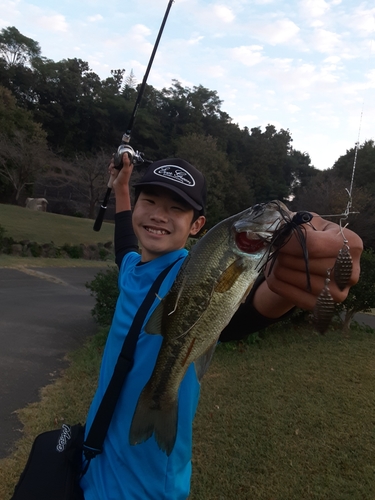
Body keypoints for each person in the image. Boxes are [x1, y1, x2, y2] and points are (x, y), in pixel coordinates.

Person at [80, 154, 363, 499]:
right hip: (95, 460)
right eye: (149, 201)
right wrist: (121, 185)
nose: (158, 214)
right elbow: (124, 236)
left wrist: (287, 289)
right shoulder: (130, 267)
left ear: (197, 226)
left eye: (176, 209)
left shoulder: (188, 271)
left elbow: (243, 311)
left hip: (143, 485)